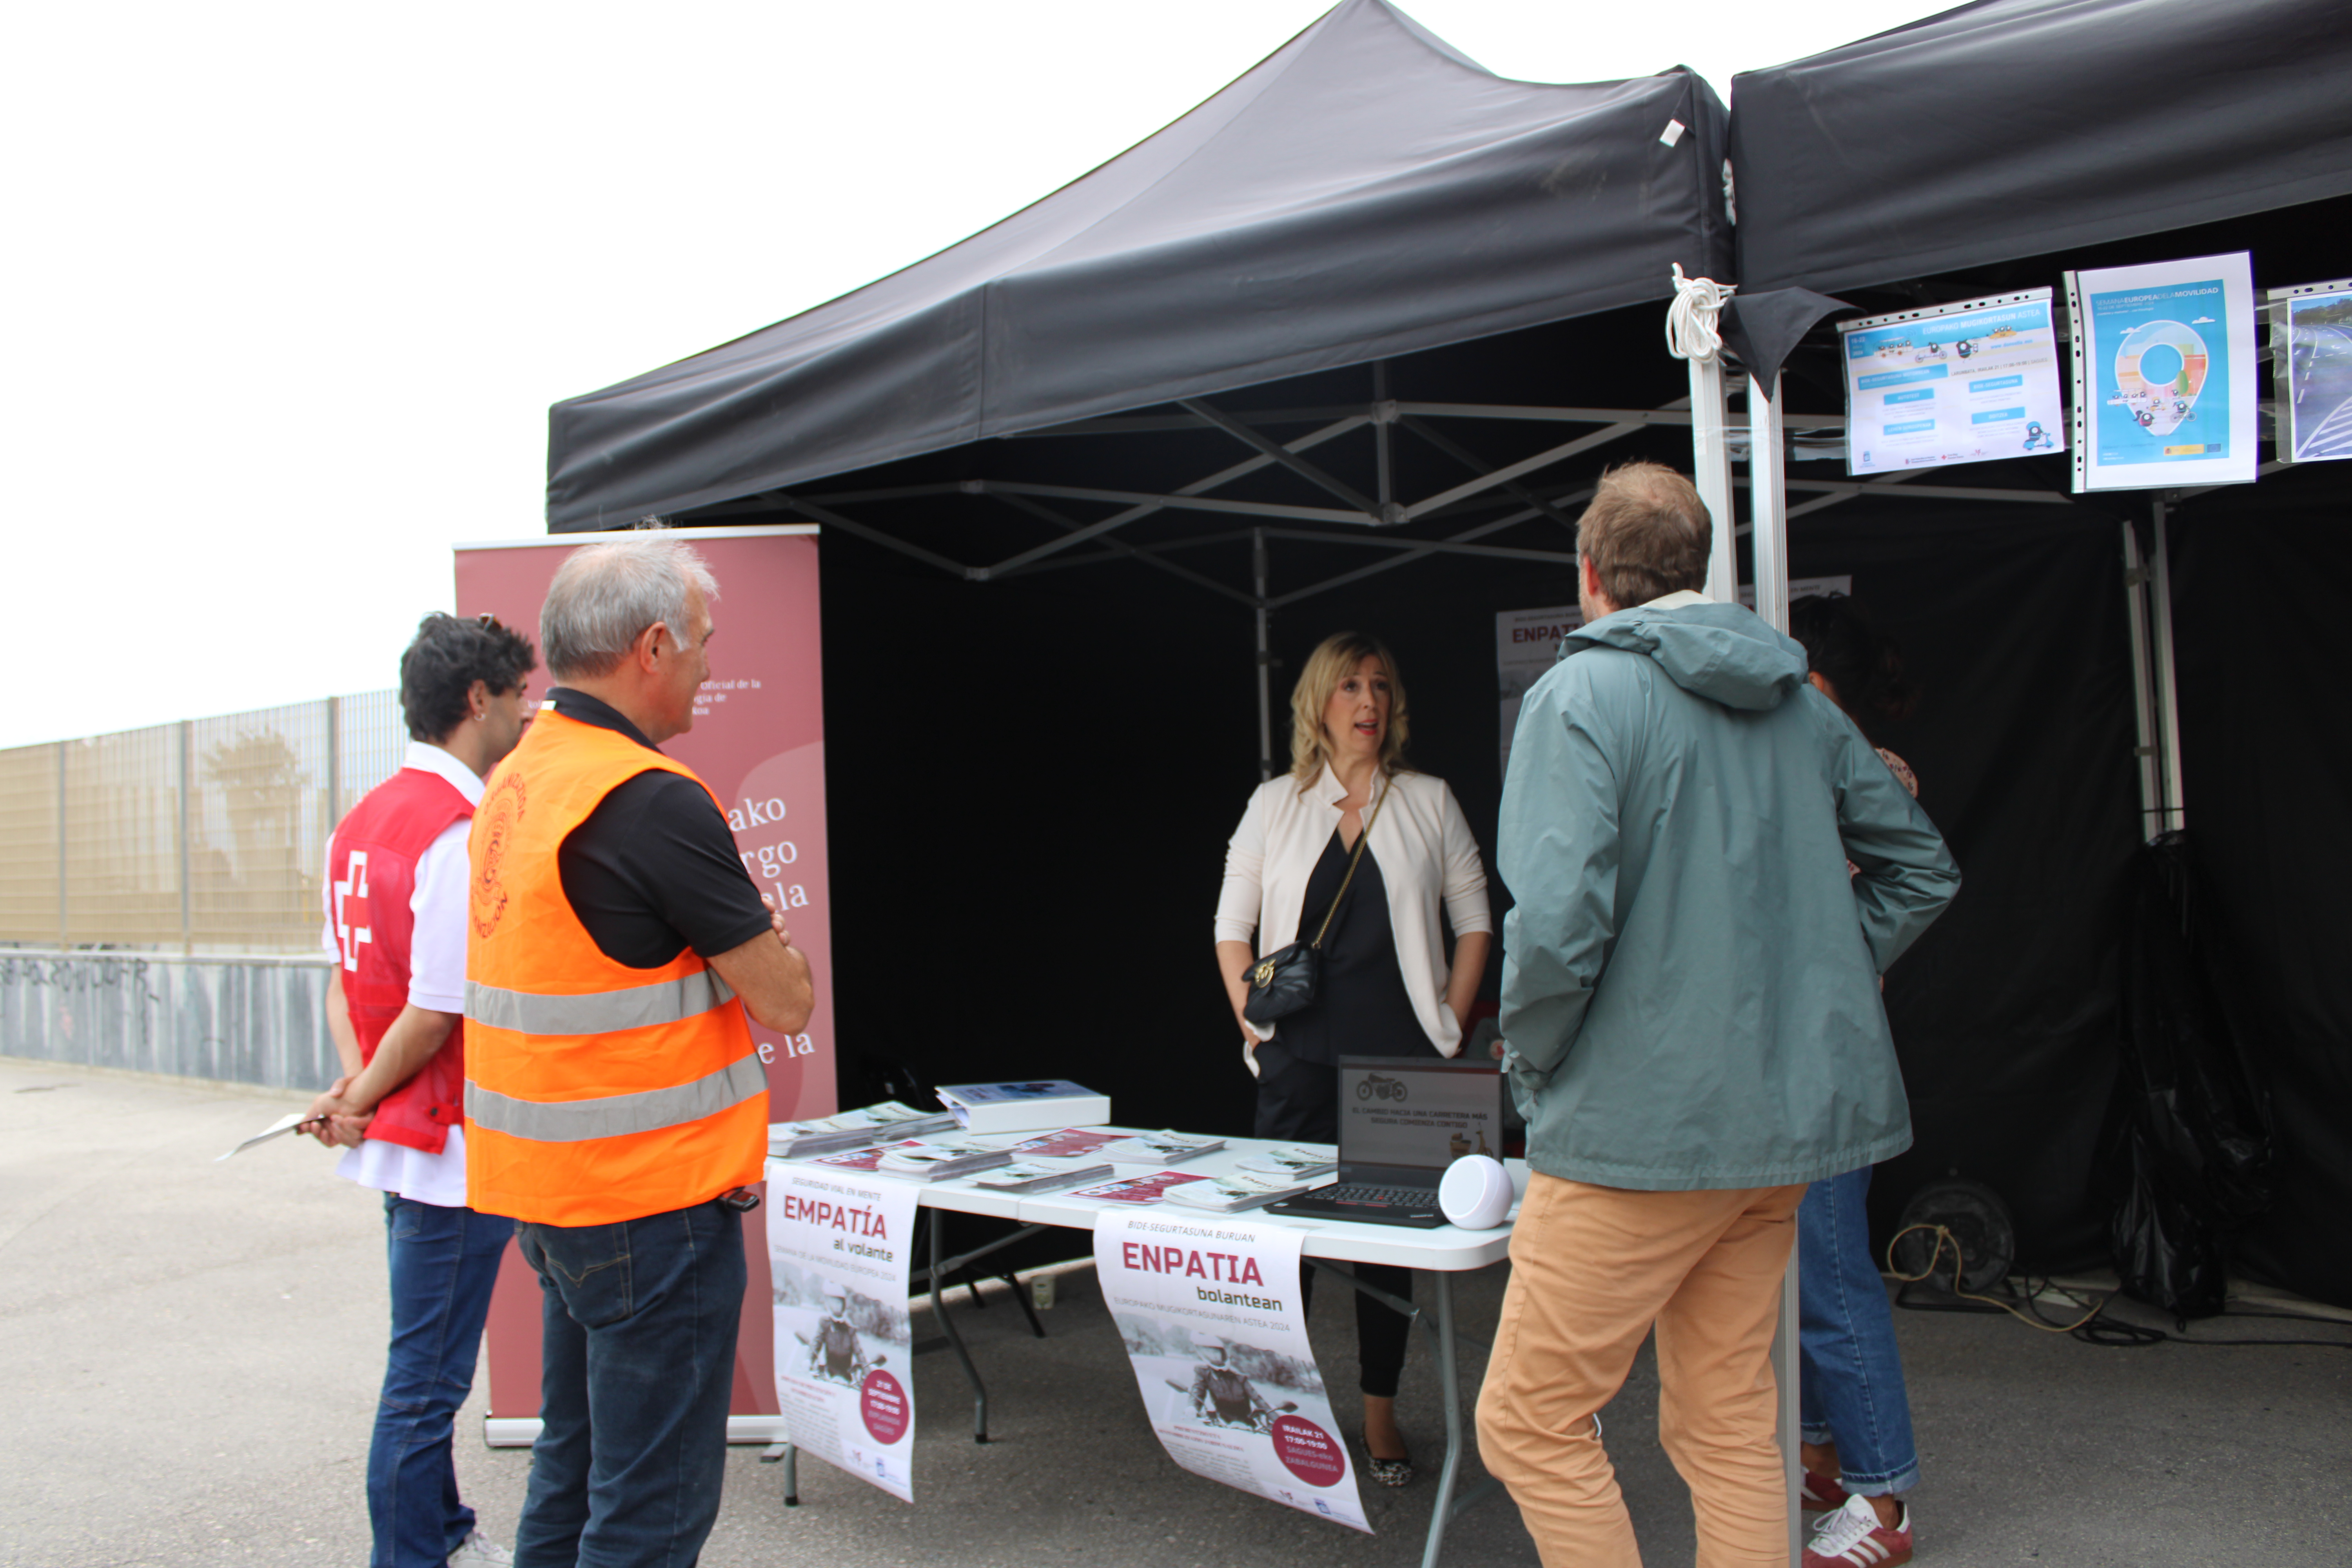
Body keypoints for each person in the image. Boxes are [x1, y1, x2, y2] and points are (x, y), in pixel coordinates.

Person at [1476, 462, 1960, 1568]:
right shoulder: (1796, 705)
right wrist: (1823, 982)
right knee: (1733, 1424)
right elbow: (1919, 872)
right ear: (1697, 568)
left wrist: (1533, 1066)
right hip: (1770, 1141)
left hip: (1630, 1138)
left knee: (1529, 1421)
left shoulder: (1578, 698)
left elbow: (1554, 931)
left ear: (1589, 576)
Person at [464, 532, 815, 1568]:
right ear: (653, 647)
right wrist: (757, 956)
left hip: (558, 1200)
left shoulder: (517, 788)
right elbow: (786, 998)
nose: (710, 663)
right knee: (649, 1513)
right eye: (703, 642)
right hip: (653, 1212)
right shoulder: (652, 799)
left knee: (571, 1476)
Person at [1214, 631, 1493, 1486]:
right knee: (1284, 1246)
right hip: (1298, 1057)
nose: (1366, 701)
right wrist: (1256, 1025)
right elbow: (1232, 927)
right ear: (1317, 704)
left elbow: (1476, 918)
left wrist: (1449, 1020)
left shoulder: (1429, 799)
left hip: (1401, 1060)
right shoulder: (1275, 803)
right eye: (1347, 687)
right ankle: (1284, 1405)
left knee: (1388, 1248)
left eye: (1378, 686)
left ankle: (1380, 1412)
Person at [307, 611, 539, 1568]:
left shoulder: (360, 820)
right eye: (520, 695)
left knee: (424, 1365)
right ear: (478, 699)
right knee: (425, 1381)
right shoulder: (455, 830)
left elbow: (343, 982)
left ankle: (440, 1531)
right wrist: (361, 1089)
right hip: (448, 1145)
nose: (529, 714)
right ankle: (412, 1555)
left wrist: (354, 1088)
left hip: (401, 1135)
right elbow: (438, 1008)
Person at [1786, 592, 1928, 1568]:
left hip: (1829, 1062)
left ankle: (1884, 1504)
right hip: (1787, 1065)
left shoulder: (1861, 775)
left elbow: (1904, 891)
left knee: (1833, 1275)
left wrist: (1842, 960)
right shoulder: (1814, 762)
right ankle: (1825, 1455)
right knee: (1793, 1273)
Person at [1187, 1332, 1276, 1430]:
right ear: (1204, 1355)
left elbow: (1258, 1399)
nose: (1214, 1356)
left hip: (1246, 1423)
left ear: (1223, 1354)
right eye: (1209, 1353)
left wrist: (1277, 1421)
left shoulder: (1239, 1378)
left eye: (1216, 1353)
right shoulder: (1204, 1373)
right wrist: (1192, 1408)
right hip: (1221, 1423)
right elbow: (1198, 1391)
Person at [806, 1287, 870, 1385]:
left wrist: (868, 1372)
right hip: (828, 1377)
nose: (836, 1306)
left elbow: (859, 1352)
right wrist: (809, 1360)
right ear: (828, 1305)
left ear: (844, 1305)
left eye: (839, 1303)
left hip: (847, 1380)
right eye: (833, 1303)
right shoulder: (825, 1324)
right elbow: (816, 1343)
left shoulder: (850, 1329)